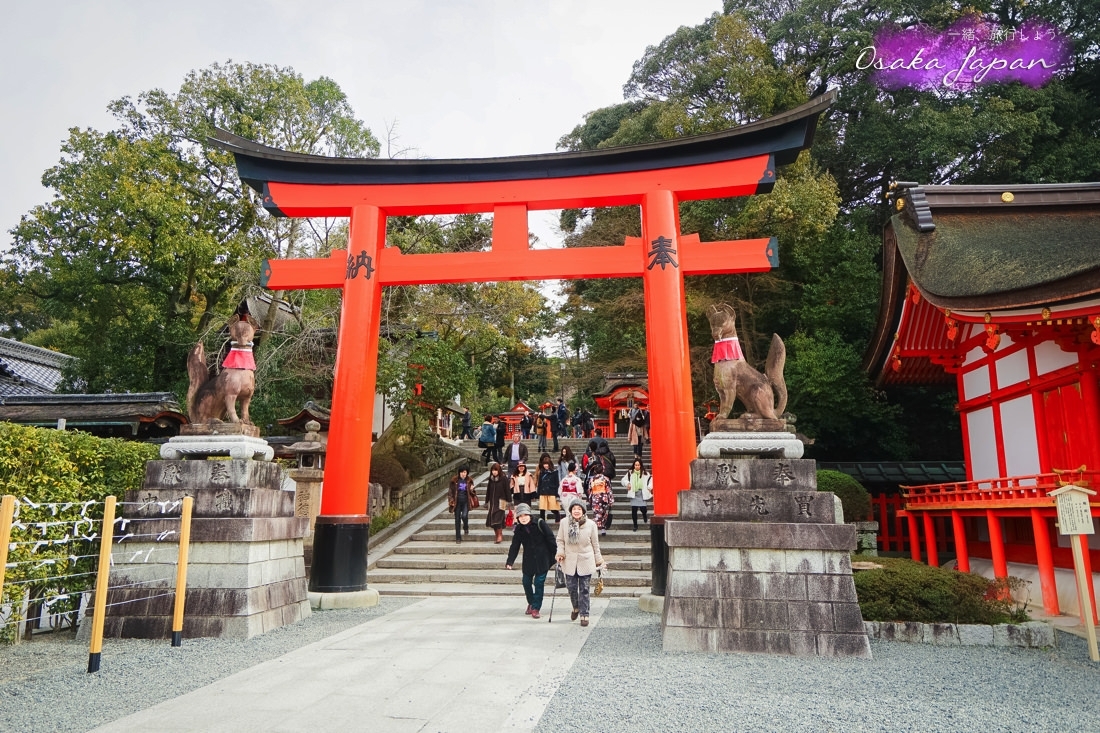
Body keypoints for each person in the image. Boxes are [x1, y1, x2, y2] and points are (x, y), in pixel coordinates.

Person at [556, 497, 604, 627]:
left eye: (579, 509)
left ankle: (585, 614)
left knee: (584, 589)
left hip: (586, 560)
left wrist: (598, 560)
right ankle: (576, 607)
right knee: (571, 588)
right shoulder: (564, 523)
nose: (576, 511)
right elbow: (560, 540)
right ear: (570, 510)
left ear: (583, 511)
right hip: (569, 560)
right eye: (574, 509)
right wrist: (560, 552)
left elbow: (595, 544)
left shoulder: (591, 524)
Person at [505, 503, 557, 619]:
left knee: (539, 583)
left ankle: (536, 608)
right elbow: (515, 546)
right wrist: (510, 561)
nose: (523, 518)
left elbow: (550, 538)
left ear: (529, 514)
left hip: (543, 559)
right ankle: (531, 602)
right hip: (528, 560)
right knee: (526, 582)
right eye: (520, 516)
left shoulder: (539, 523)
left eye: (525, 515)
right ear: (517, 518)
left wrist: (557, 554)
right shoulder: (518, 529)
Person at [621, 458, 653, 531]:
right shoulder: (630, 473)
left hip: (642, 493)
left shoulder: (645, 473)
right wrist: (627, 484)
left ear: (641, 465)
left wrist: (649, 487)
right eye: (636, 465)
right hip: (634, 493)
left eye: (638, 465)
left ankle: (644, 515)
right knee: (634, 510)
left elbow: (651, 480)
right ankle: (635, 525)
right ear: (634, 465)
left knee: (643, 509)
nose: (637, 466)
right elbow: (623, 480)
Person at [448, 467, 477, 544]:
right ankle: (458, 537)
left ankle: (465, 526)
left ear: (467, 473)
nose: (463, 474)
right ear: (459, 473)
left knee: (464, 516)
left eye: (465, 472)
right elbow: (450, 492)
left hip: (465, 502)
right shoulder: (454, 481)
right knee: (457, 519)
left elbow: (473, 493)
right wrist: (451, 500)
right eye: (462, 472)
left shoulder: (469, 480)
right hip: (457, 502)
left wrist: (472, 490)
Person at [484, 462, 510, 543]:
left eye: (496, 470)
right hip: (492, 502)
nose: (494, 472)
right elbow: (488, 491)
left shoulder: (504, 479)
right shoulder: (491, 479)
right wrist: (486, 501)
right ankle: (497, 534)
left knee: (498, 518)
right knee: (492, 519)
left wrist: (509, 501)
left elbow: (507, 490)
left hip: (501, 501)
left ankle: (499, 535)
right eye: (493, 470)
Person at [535, 452, 562, 522]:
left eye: (547, 464)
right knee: (542, 509)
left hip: (551, 492)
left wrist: (557, 494)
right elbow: (539, 484)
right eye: (544, 464)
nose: (546, 466)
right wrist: (538, 494)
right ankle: (542, 522)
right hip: (543, 492)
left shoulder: (554, 472)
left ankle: (558, 517)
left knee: (553, 508)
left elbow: (557, 484)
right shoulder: (541, 472)